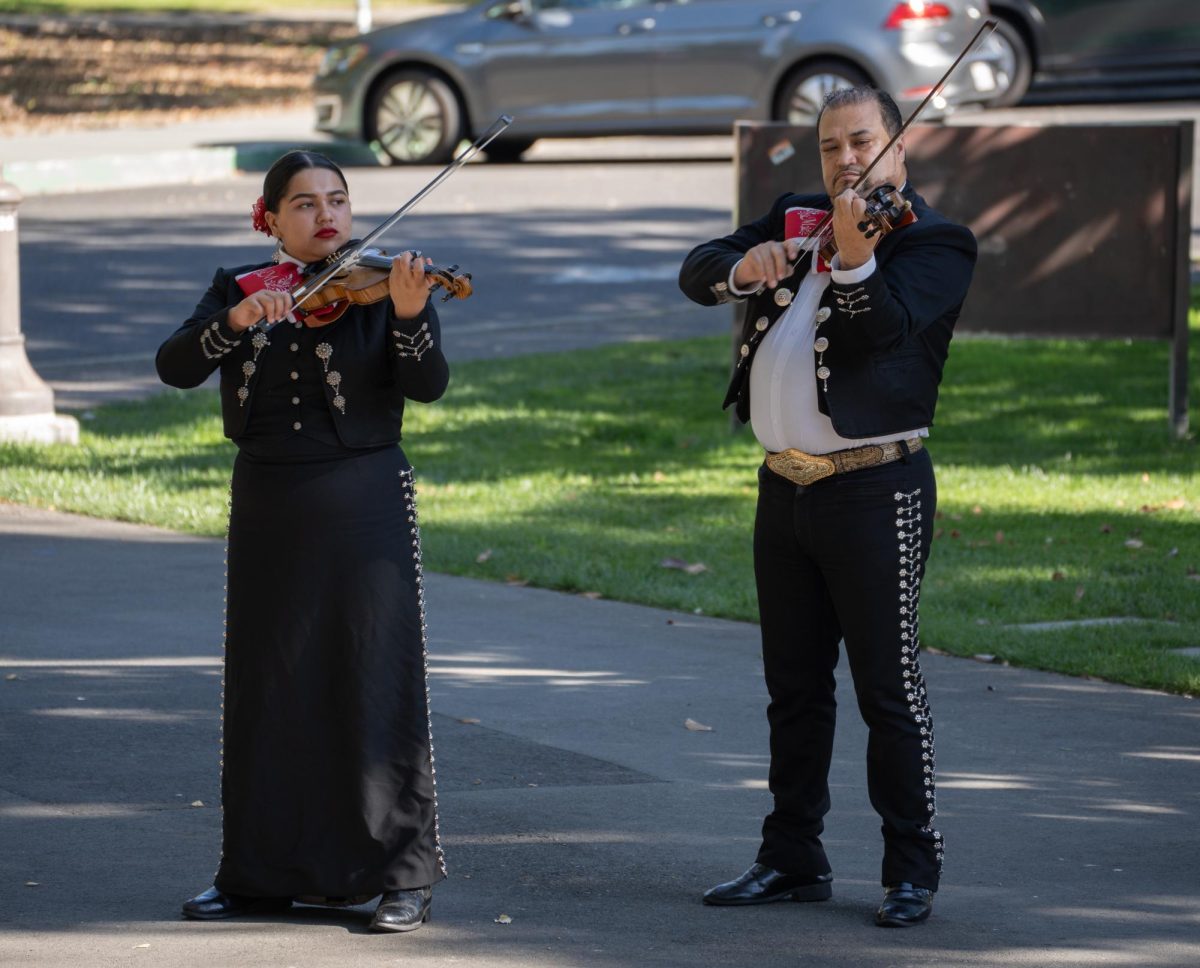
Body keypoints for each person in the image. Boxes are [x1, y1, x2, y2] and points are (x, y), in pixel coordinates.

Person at [678, 87, 977, 927]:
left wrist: (854, 257)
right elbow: (697, 266)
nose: (847, 161)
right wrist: (747, 265)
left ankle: (910, 868)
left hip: (876, 487)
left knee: (888, 687)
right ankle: (791, 857)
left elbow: (882, 333)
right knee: (794, 689)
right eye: (832, 147)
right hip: (786, 486)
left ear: (898, 148)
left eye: (863, 143)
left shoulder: (939, 243)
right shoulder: (796, 214)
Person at [157, 149, 450, 933]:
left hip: (364, 501)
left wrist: (413, 314)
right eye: (307, 204)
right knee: (270, 681)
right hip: (269, 501)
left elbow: (427, 385)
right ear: (272, 217)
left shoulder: (385, 283)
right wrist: (239, 320)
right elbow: (176, 365)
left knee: (373, 679)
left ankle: (401, 875)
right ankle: (256, 873)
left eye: (340, 201)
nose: (328, 217)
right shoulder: (242, 286)